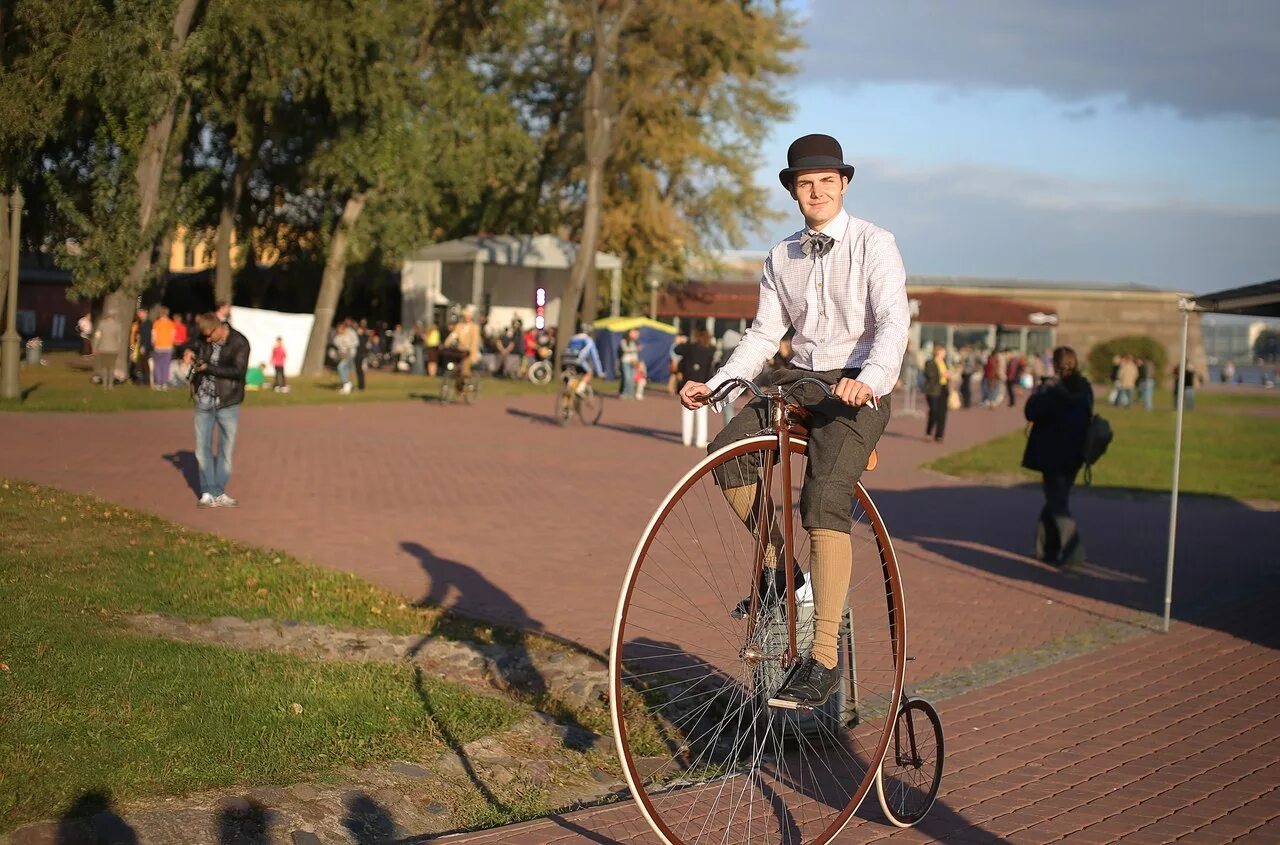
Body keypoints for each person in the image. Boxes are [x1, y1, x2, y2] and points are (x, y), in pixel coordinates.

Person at [681, 134, 908, 708]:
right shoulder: (782, 256)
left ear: (844, 184)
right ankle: (786, 576)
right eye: (806, 184)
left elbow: (892, 324)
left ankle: (823, 660)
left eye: (827, 181)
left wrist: (870, 379)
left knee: (824, 500)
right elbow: (763, 334)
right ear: (793, 191)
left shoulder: (874, 244)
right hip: (799, 378)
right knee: (726, 458)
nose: (817, 191)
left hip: (854, 386)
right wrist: (716, 385)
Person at [1021, 346, 1092, 567]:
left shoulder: (1052, 389)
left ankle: (1073, 551)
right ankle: (1046, 548)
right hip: (1076, 451)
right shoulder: (1084, 387)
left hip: (1052, 452)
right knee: (1055, 498)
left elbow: (1031, 412)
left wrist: (1041, 392)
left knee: (1057, 501)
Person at [185, 312, 250, 507]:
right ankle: (207, 492)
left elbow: (238, 372)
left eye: (209, 335)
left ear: (219, 328)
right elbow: (190, 343)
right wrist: (188, 350)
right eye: (203, 335)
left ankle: (218, 490)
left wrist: (209, 368)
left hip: (228, 401)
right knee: (202, 448)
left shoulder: (240, 342)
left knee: (225, 449)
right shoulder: (203, 338)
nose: (206, 339)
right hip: (204, 400)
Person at [674, 329, 716, 447]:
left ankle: (686, 439)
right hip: (703, 383)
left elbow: (676, 350)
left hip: (688, 382)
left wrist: (682, 342)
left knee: (687, 410)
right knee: (701, 413)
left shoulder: (689, 347)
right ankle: (700, 440)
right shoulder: (710, 349)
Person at [442, 305, 482, 393]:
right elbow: (453, 335)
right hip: (460, 351)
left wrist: (471, 349)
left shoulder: (474, 328)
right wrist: (446, 344)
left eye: (468, 316)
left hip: (470, 353)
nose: (466, 318)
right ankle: (456, 384)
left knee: (465, 369)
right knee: (454, 367)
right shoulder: (459, 326)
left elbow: (475, 340)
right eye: (465, 316)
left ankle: (467, 382)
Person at [564, 325, 605, 395]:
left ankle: (569, 389)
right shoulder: (589, 340)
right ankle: (580, 389)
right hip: (578, 360)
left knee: (573, 375)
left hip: (567, 359)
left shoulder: (573, 338)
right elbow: (595, 357)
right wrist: (599, 372)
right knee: (589, 373)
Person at [923, 343, 950, 442]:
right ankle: (929, 432)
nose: (944, 353)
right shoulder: (930, 362)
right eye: (943, 351)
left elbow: (947, 373)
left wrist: (948, 375)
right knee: (934, 411)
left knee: (942, 413)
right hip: (933, 390)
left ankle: (939, 435)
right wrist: (941, 374)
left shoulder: (944, 362)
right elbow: (929, 374)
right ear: (938, 352)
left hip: (943, 389)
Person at [92, 307, 123, 389]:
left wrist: (95, 347)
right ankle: (111, 384)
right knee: (112, 367)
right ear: (114, 316)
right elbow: (119, 339)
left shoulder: (102, 324)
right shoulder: (118, 325)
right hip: (113, 349)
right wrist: (118, 348)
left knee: (104, 367)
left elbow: (97, 336)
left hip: (103, 348)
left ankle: (104, 384)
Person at [150, 306, 176, 390]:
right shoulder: (171, 323)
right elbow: (173, 335)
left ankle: (158, 382)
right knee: (166, 366)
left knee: (158, 365)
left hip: (158, 347)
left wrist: (153, 343)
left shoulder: (156, 323)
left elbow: (153, 335)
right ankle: (164, 383)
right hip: (168, 347)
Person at [333, 320, 359, 393]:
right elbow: (338, 346)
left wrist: (348, 346)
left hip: (350, 354)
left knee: (341, 367)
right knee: (345, 369)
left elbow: (356, 342)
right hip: (343, 355)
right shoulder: (337, 337)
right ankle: (346, 385)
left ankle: (347, 383)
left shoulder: (350, 333)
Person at [618, 328, 641, 399]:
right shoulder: (623, 341)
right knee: (627, 377)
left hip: (633, 362)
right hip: (626, 362)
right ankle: (624, 393)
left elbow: (635, 354)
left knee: (632, 378)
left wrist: (637, 362)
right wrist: (635, 349)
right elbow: (625, 349)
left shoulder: (634, 342)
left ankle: (630, 393)